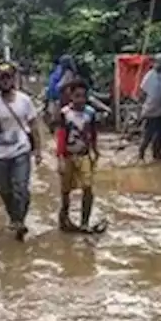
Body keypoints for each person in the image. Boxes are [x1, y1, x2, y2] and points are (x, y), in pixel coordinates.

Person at [0, 64, 42, 241]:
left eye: (8, 77)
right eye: (2, 78)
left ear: (13, 79)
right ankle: (14, 217)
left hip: (21, 150)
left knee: (21, 187)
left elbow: (34, 125)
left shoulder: (25, 101)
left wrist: (38, 150)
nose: (5, 81)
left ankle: (20, 220)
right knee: (5, 189)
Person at [55, 78, 100, 232]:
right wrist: (60, 158)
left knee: (88, 187)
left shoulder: (90, 113)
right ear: (71, 97)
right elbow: (61, 137)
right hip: (68, 155)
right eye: (77, 96)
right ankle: (64, 218)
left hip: (84, 155)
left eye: (83, 96)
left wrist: (95, 151)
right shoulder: (65, 114)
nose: (80, 100)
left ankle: (84, 222)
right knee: (66, 190)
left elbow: (93, 134)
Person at [137, 53, 161, 161]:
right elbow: (143, 92)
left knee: (160, 134)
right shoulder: (150, 75)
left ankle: (157, 154)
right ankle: (141, 153)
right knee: (148, 133)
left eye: (159, 62)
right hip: (151, 110)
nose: (156, 64)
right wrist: (143, 103)